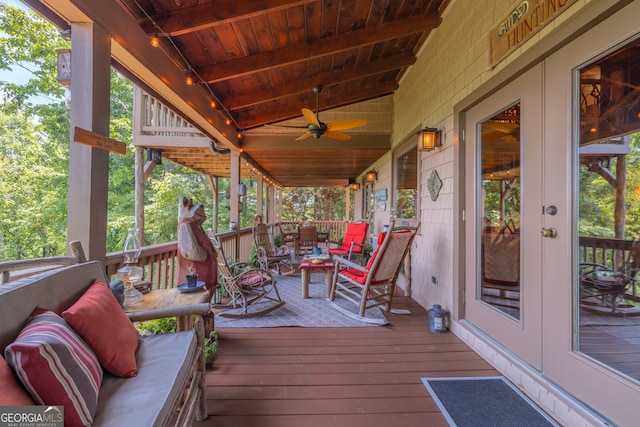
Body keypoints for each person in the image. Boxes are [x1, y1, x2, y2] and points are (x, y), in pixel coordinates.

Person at [176, 196, 218, 290]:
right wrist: (204, 255)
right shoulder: (185, 226)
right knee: (197, 294)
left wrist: (212, 252)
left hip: (207, 270)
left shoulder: (195, 226)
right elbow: (191, 251)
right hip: (196, 272)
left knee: (207, 292)